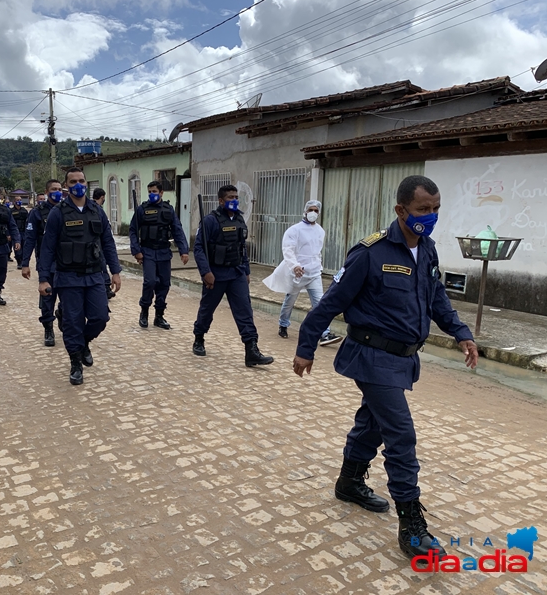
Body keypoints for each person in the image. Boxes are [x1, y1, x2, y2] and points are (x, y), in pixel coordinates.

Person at [293, 175, 479, 561]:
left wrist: (461, 333)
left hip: (403, 358)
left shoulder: (426, 250)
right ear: (401, 210)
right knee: (401, 435)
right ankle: (411, 524)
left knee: (373, 422)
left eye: (435, 209)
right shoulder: (370, 253)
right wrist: (306, 346)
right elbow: (330, 302)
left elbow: (436, 297)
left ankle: (348, 482)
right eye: (422, 210)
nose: (430, 217)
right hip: (371, 355)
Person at [37, 168, 121, 385]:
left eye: (81, 180)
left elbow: (108, 242)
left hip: (94, 276)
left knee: (100, 317)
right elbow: (47, 248)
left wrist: (116, 271)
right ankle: (75, 362)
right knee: (73, 322)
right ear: (67, 186)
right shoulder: (59, 213)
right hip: (68, 277)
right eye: (73, 181)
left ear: (86, 183)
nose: (78, 184)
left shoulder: (96, 211)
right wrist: (44, 278)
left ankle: (83, 343)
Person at [192, 185, 273, 367]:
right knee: (207, 309)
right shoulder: (210, 221)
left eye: (236, 197)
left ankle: (251, 350)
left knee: (245, 311)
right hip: (216, 274)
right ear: (221, 201)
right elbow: (198, 249)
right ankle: (199, 337)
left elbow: (241, 248)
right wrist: (206, 272)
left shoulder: (239, 219)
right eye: (230, 197)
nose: (234, 200)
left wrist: (246, 271)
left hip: (236, 273)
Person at [263, 200, 342, 344]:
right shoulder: (294, 230)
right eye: (310, 210)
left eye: (316, 210)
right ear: (305, 211)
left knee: (320, 303)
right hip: (297, 273)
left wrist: (318, 266)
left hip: (314, 273)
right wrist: (295, 266)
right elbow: (288, 250)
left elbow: (317, 252)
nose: (313, 213)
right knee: (290, 301)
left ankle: (324, 333)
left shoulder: (320, 230)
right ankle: (283, 324)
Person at [129, 181, 189, 329]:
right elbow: (133, 230)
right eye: (149, 191)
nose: (151, 194)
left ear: (161, 193)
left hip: (163, 252)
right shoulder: (142, 209)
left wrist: (184, 250)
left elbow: (177, 230)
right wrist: (136, 251)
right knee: (150, 282)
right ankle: (144, 312)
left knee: (164, 284)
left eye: (154, 191)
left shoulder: (168, 210)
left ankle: (159, 316)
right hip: (147, 251)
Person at [22, 180, 64, 346]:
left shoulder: (67, 209)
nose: (57, 192)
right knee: (47, 298)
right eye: (54, 189)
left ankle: (62, 314)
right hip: (47, 262)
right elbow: (30, 239)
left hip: (67, 262)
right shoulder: (37, 212)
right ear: (47, 192)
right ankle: (48, 328)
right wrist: (25, 263)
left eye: (60, 189)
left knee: (69, 298)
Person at [91, 188, 115, 300]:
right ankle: (105, 288)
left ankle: (106, 288)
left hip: (100, 244)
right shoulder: (95, 210)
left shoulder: (98, 210)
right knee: (101, 265)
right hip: (97, 246)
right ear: (102, 197)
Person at [11, 197, 30, 270]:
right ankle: (19, 262)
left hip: (24, 232)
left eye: (20, 200)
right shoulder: (11, 211)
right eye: (17, 200)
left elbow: (28, 221)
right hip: (15, 232)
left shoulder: (24, 210)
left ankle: (23, 261)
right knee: (17, 248)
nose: (19, 201)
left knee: (24, 248)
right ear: (14, 202)